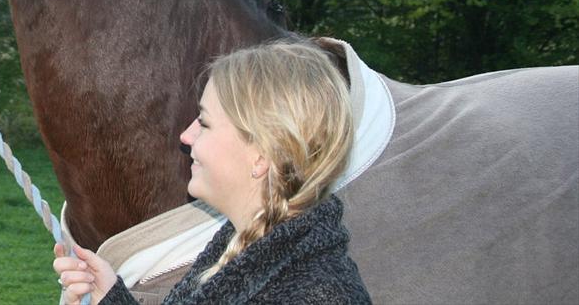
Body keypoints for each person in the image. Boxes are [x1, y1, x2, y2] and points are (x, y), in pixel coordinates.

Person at [54, 39, 371, 304]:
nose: (186, 136)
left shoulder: (321, 293)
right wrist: (109, 296)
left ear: (262, 155)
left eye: (204, 122)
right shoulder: (238, 249)